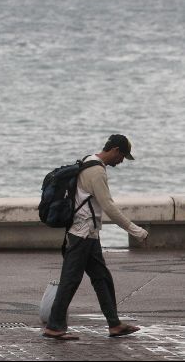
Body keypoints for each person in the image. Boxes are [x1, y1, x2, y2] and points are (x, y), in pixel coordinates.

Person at [43, 134, 149, 341]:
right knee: (70, 280)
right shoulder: (97, 171)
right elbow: (108, 206)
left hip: (88, 233)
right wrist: (135, 230)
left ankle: (114, 324)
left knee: (102, 278)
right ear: (115, 150)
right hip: (82, 233)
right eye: (122, 156)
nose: (121, 162)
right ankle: (54, 326)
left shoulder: (88, 160)